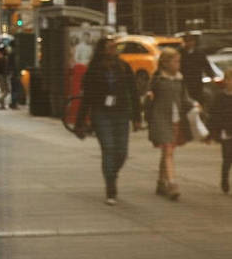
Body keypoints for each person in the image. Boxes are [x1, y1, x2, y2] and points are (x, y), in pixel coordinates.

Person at [75, 36, 140, 205]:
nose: (113, 51)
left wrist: (137, 117)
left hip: (121, 112)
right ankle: (110, 187)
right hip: (101, 113)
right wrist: (80, 122)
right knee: (109, 148)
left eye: (114, 47)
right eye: (109, 47)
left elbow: (133, 92)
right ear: (102, 50)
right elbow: (87, 98)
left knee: (122, 152)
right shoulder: (94, 70)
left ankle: (112, 173)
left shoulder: (123, 67)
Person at [145, 47, 199, 200]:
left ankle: (161, 182)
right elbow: (148, 100)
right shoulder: (158, 80)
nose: (178, 65)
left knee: (167, 152)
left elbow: (184, 98)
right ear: (165, 63)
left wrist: (195, 104)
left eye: (178, 61)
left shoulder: (179, 79)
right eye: (175, 62)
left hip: (175, 120)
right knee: (168, 151)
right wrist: (148, 99)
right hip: (160, 120)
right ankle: (172, 183)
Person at [208, 68, 232, 198]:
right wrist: (214, 131)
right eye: (227, 79)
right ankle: (225, 180)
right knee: (227, 159)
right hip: (226, 133)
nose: (229, 82)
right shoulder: (220, 97)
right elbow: (214, 115)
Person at [179, 32, 215, 108]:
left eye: (190, 41)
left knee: (198, 98)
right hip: (185, 81)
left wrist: (211, 76)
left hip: (197, 81)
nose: (189, 43)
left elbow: (206, 66)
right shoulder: (180, 53)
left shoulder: (199, 53)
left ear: (194, 42)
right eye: (187, 41)